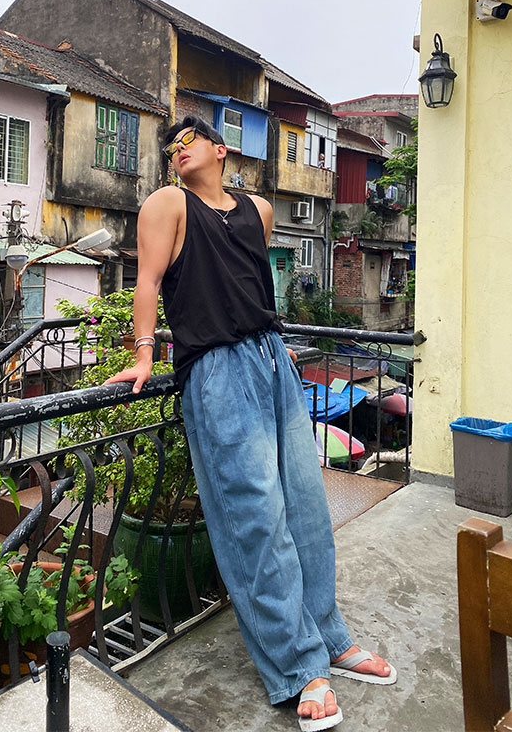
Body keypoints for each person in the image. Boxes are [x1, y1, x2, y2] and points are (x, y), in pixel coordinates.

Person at [105, 116, 396, 730]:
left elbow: (250, 281)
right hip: (214, 370)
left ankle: (328, 638)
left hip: (270, 360)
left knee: (306, 507)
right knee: (255, 517)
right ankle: (297, 665)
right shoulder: (167, 204)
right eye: (170, 147)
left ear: (220, 148)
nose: (177, 149)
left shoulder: (258, 210)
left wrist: (273, 344)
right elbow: (148, 282)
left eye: (188, 140)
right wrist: (144, 355)